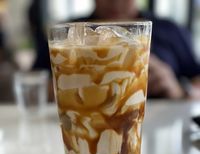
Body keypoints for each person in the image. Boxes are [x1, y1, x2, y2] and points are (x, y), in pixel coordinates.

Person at [28, 0, 200, 99]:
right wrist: (70, 83)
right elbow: (30, 85)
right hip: (83, 127)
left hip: (163, 133)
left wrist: (179, 89)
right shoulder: (66, 33)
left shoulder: (169, 30)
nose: (115, 2)